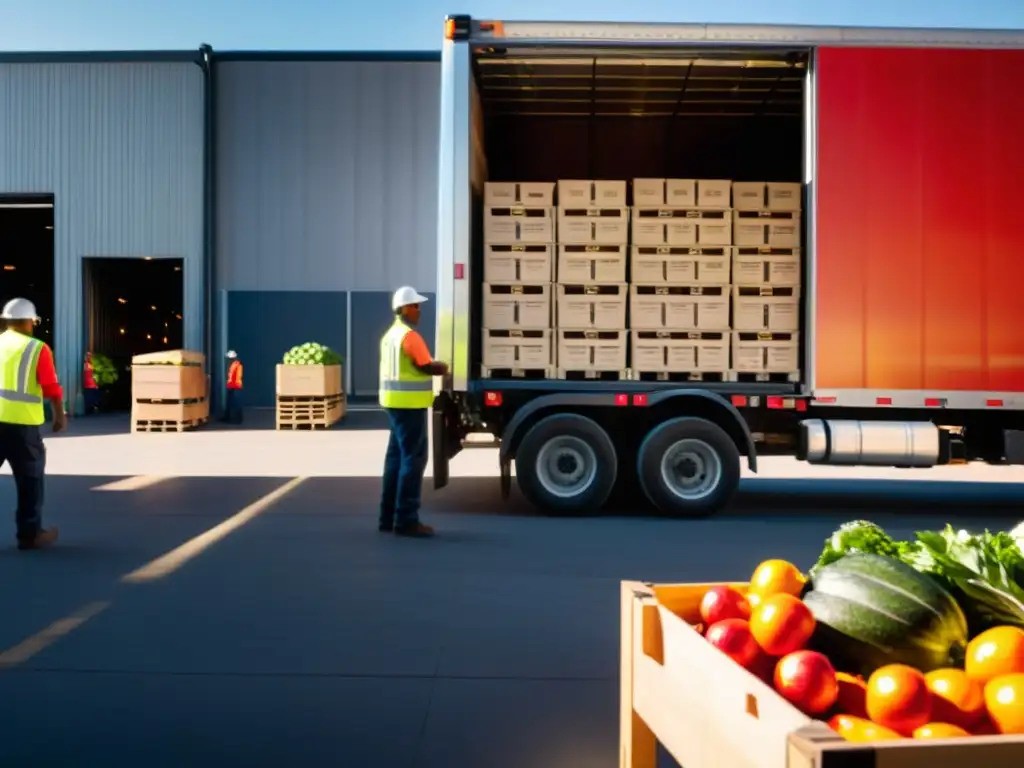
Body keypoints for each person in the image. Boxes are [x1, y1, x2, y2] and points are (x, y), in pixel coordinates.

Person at [378, 286, 448, 538]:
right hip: (409, 406)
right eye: (416, 306)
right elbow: (427, 366)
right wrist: (446, 367)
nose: (419, 311)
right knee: (413, 460)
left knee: (395, 461)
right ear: (405, 308)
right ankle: (406, 520)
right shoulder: (410, 337)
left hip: (393, 404)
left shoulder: (390, 336)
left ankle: (387, 518)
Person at [0, 298, 66, 550]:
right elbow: (50, 386)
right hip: (21, 426)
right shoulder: (36, 348)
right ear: (29, 321)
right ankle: (30, 535)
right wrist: (59, 414)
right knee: (30, 480)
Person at [225, 350, 243, 425]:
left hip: (235, 386)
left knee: (235, 403)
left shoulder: (236, 365)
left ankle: (237, 419)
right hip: (232, 386)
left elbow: (234, 377)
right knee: (231, 403)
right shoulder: (235, 364)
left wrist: (230, 384)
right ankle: (229, 417)